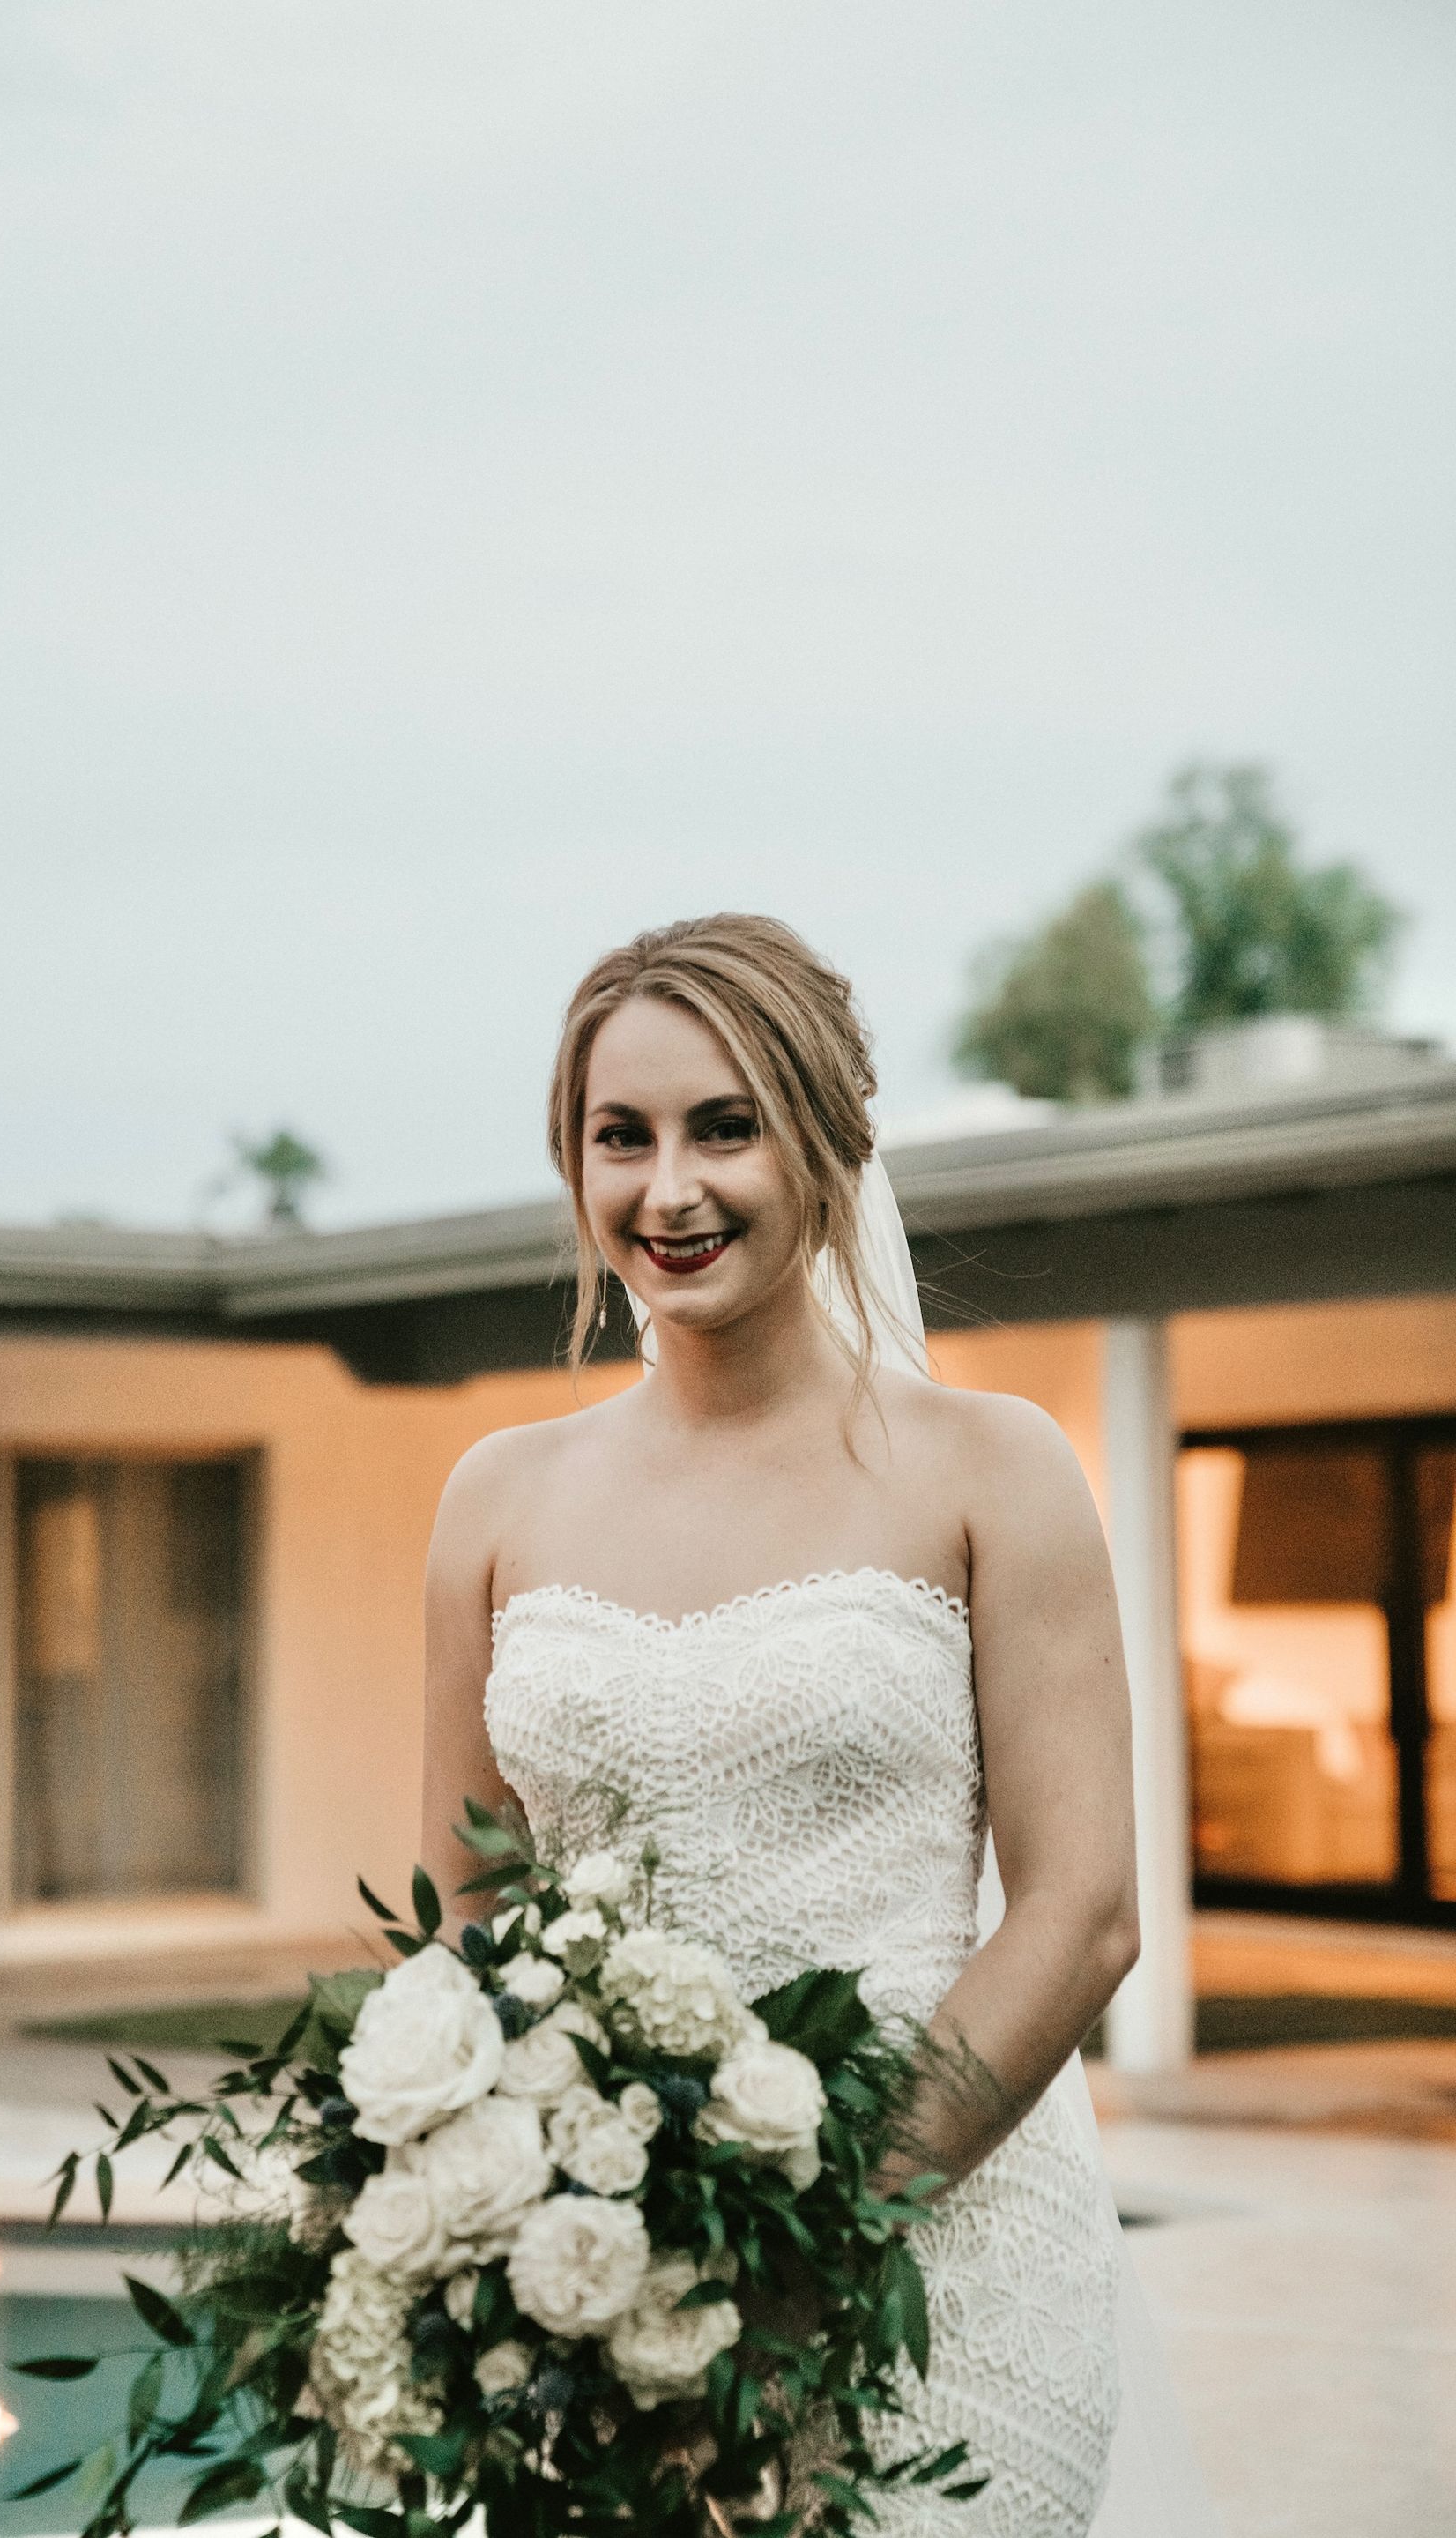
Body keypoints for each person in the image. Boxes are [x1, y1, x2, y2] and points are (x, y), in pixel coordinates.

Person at [422, 912, 1220, 2535]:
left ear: (833, 1146)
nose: (671, 1189)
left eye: (729, 1127)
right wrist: (518, 2243)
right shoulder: (495, 1501)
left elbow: (1082, 1916)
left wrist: (807, 2259)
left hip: (940, 2264)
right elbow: (464, 1918)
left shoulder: (995, 1471)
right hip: (606, 2286)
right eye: (619, 1137)